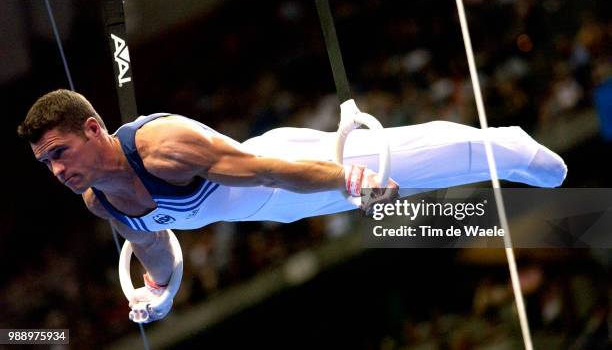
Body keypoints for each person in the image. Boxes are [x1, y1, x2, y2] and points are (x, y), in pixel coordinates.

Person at [18, 89, 567, 322]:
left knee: (393, 161)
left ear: (94, 129)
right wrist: (159, 293)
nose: (59, 171)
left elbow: (269, 171)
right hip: (269, 209)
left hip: (280, 165)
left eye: (61, 152)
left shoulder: (165, 147)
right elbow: (155, 244)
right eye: (47, 165)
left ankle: (505, 145)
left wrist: (350, 180)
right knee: (379, 177)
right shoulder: (100, 201)